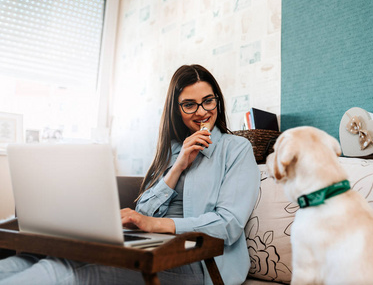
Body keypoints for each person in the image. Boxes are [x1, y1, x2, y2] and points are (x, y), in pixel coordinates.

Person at [0, 64, 260, 285]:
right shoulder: (173, 151)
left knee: (70, 270)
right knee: (31, 258)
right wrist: (178, 166)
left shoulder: (236, 148)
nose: (202, 111)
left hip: (198, 260)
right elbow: (143, 211)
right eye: (189, 105)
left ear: (218, 99)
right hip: (150, 245)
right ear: (176, 109)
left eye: (208, 101)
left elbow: (228, 224)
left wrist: (155, 225)